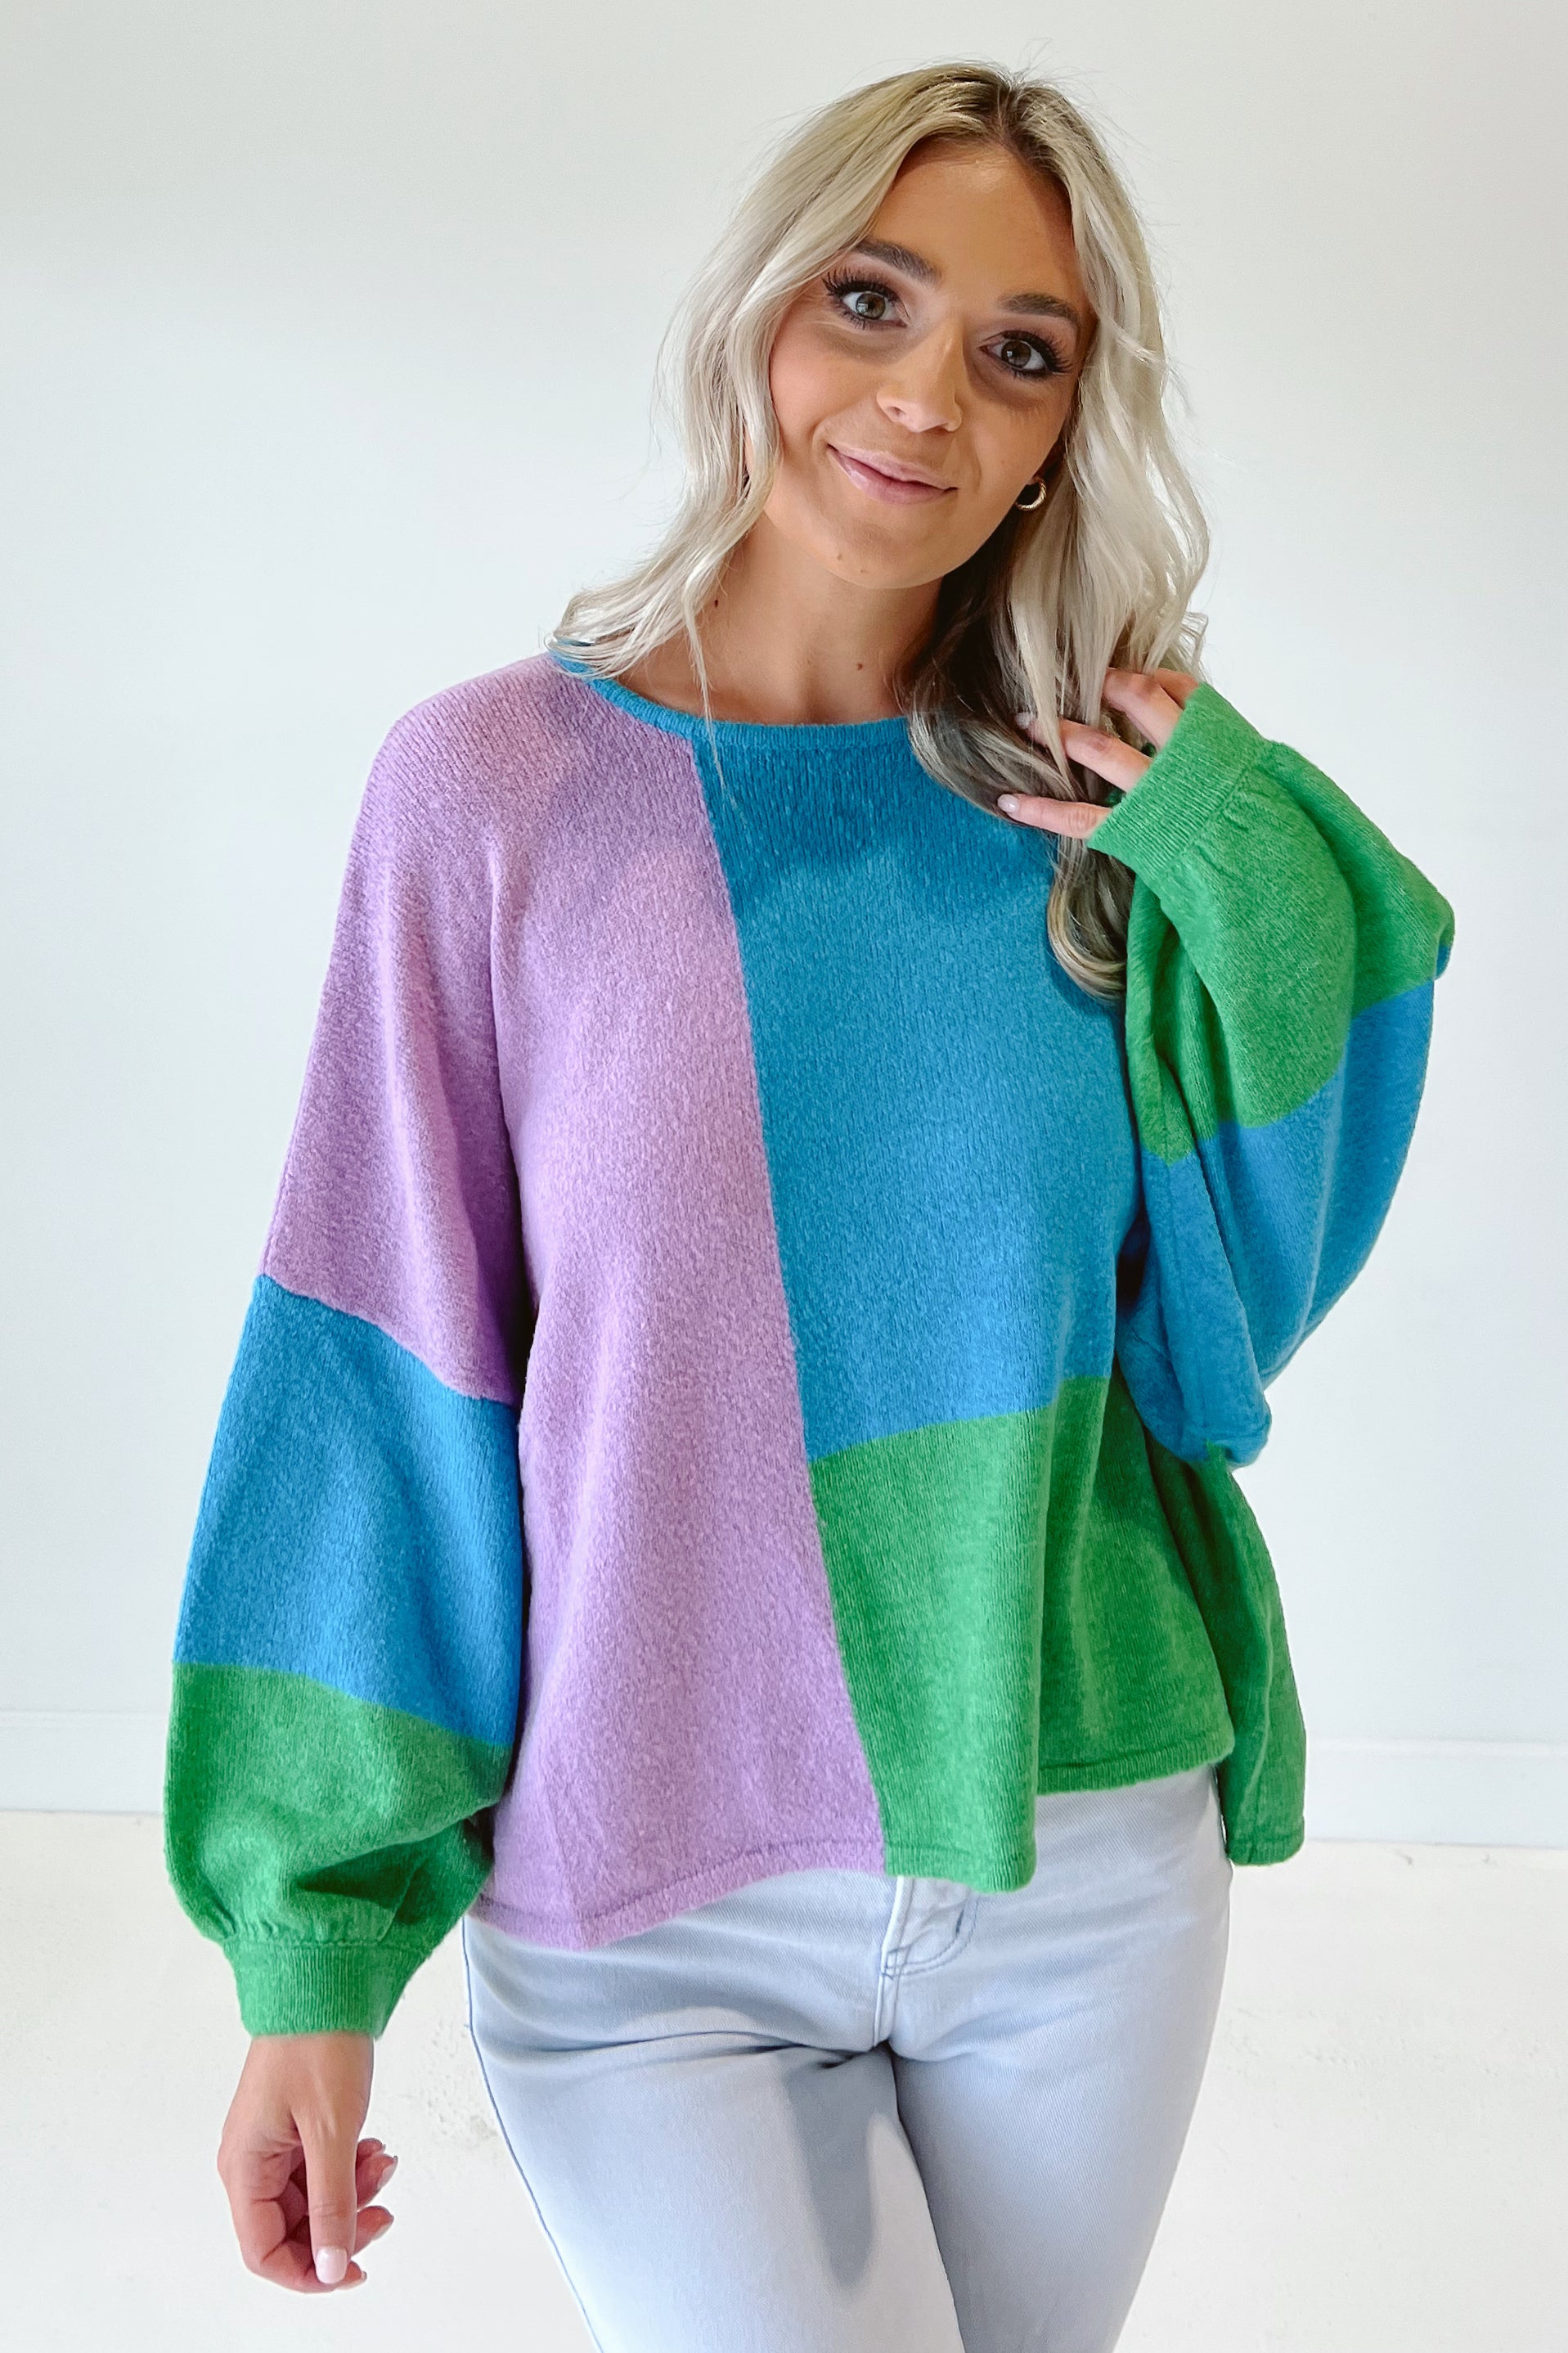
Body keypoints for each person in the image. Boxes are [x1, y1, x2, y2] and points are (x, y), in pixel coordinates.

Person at [163, 57, 1456, 2353]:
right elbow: (378, 1367)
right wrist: (312, 1948)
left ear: (1065, 430)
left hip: (1078, 1844)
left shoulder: (1099, 807)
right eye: (872, 299)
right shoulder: (490, 797)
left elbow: (1230, 1321)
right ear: (759, 310)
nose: (928, 394)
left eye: (1020, 350)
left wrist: (1232, 841)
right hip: (651, 1893)